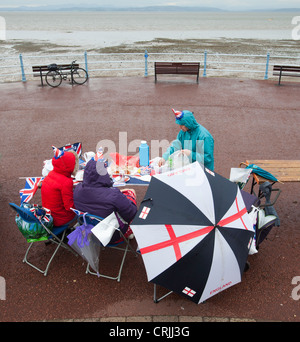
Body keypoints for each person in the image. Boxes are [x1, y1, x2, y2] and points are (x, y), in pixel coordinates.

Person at [73, 159, 137, 243]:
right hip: (113, 235)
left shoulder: (77, 189)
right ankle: (128, 232)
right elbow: (132, 213)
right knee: (130, 192)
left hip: (90, 233)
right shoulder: (114, 195)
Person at [41, 147, 79, 227]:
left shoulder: (51, 174)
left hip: (48, 215)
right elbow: (69, 207)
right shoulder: (66, 182)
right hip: (60, 219)